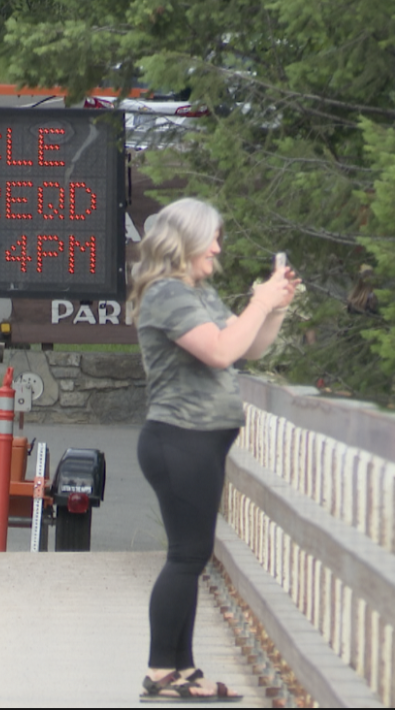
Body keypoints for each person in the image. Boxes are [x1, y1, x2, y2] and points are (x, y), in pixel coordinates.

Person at [128, 197, 298, 702]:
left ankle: (183, 669)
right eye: (213, 238)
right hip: (179, 439)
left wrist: (276, 307)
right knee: (187, 556)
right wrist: (261, 301)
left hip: (197, 442)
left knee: (192, 555)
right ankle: (162, 670)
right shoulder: (164, 294)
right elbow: (221, 351)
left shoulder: (197, 293)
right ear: (185, 242)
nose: (219, 247)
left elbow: (250, 347)